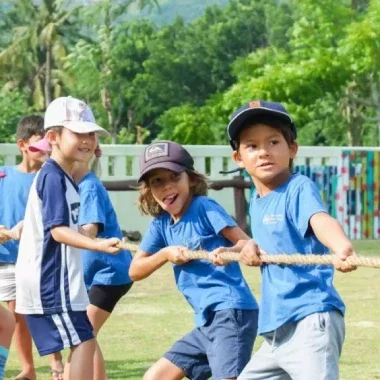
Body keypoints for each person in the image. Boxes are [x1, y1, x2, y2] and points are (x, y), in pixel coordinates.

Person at [221, 100, 357, 380]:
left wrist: (340, 246)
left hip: (310, 319)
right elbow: (269, 243)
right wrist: (243, 248)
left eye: (273, 142)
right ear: (238, 158)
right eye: (252, 146)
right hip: (276, 330)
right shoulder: (258, 202)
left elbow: (319, 220)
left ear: (292, 148)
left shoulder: (298, 188)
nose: (264, 153)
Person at [129, 141, 259, 380]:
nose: (167, 187)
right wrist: (165, 254)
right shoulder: (161, 224)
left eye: (174, 177)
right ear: (148, 189)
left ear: (190, 178)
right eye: (157, 181)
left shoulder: (203, 207)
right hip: (206, 321)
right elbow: (135, 270)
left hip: (230, 312)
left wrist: (228, 251)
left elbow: (246, 244)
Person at [15, 96, 122, 380]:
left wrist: (96, 236)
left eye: (91, 134)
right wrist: (97, 244)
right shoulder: (52, 178)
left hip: (59, 284)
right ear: (53, 137)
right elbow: (58, 231)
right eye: (79, 133)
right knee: (84, 340)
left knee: (84, 338)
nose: (88, 140)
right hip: (50, 283)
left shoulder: (65, 178)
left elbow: (74, 229)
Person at [29, 136, 134, 380]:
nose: (47, 161)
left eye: (51, 154)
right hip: (96, 274)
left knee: (83, 334)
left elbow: (90, 229)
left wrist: (57, 231)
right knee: (87, 334)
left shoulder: (88, 186)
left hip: (109, 273)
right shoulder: (69, 187)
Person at [0, 115, 46, 380]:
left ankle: (31, 368)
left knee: (21, 314)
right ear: (22, 144)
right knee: (13, 317)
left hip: (33, 259)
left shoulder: (49, 179)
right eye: (37, 144)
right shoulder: (3, 177)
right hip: (4, 256)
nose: (44, 152)